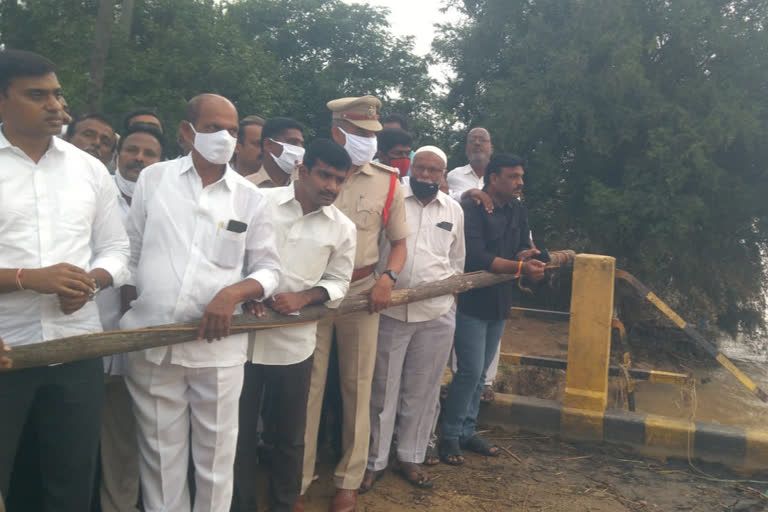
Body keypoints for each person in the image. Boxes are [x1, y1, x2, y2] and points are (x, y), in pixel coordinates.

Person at [120, 93, 281, 512]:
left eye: (232, 129)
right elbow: (131, 252)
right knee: (159, 458)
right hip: (153, 346)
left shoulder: (250, 197)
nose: (224, 137)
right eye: (213, 128)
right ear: (186, 131)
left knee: (214, 462)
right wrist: (133, 309)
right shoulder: (154, 180)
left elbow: (268, 270)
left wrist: (233, 294)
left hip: (217, 348)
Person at [0, 49, 130, 511]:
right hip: (7, 352)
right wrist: (26, 278)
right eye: (37, 95)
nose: (55, 105)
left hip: (77, 348)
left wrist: (90, 283)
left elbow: (117, 251)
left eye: (56, 93)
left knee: (70, 481)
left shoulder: (89, 169)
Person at [298, 95, 408, 512]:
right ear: (337, 130)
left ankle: (349, 478)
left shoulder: (388, 180)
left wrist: (388, 277)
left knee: (358, 386)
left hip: (362, 294)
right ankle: (299, 480)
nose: (367, 141)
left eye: (371, 134)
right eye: (360, 133)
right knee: (307, 387)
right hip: (310, 294)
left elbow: (399, 244)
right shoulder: (309, 172)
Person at [235, 139, 356, 512]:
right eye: (324, 175)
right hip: (240, 341)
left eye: (339, 180)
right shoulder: (259, 203)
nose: (331, 187)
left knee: (288, 436)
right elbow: (230, 253)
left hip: (294, 344)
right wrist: (247, 290)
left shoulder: (342, 228)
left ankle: (284, 505)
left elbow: (339, 281)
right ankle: (238, 505)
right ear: (302, 171)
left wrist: (303, 298)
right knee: (234, 435)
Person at [362, 146, 465, 493]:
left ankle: (411, 456)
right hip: (388, 310)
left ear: (444, 175)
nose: (425, 175)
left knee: (422, 391)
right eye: (420, 168)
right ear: (409, 170)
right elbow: (377, 249)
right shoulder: (393, 200)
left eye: (434, 170)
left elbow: (456, 260)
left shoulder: (454, 209)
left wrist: (447, 299)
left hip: (436, 315)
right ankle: (374, 461)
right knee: (381, 389)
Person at [439, 153, 546, 465]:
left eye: (521, 177)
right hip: (471, 302)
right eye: (513, 176)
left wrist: (530, 255)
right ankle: (449, 435)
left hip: (499, 301)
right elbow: (476, 257)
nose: (519, 182)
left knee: (481, 372)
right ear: (494, 177)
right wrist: (521, 267)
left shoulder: (517, 208)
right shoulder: (472, 208)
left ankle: (467, 431)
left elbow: (518, 249)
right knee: (469, 371)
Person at [96, 124, 164, 512]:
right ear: (119, 154)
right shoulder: (96, 191)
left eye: (149, 153)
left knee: (125, 436)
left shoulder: (168, 199)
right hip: (90, 329)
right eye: (132, 150)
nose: (139, 158)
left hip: (141, 336)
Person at [246, 117, 305, 188]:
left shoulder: (305, 186)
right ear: (268, 145)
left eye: (301, 144)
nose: (300, 148)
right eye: (293, 142)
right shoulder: (246, 186)